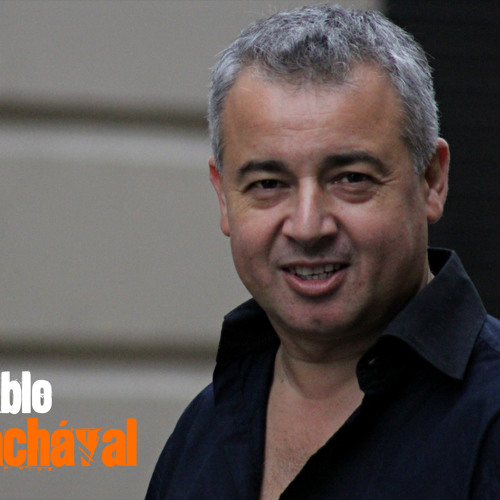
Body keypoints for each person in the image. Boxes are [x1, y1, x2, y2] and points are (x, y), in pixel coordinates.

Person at [146, 4, 500, 499]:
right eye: (268, 184)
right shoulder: (201, 435)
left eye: (351, 179)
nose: (308, 227)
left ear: (431, 180)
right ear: (223, 196)